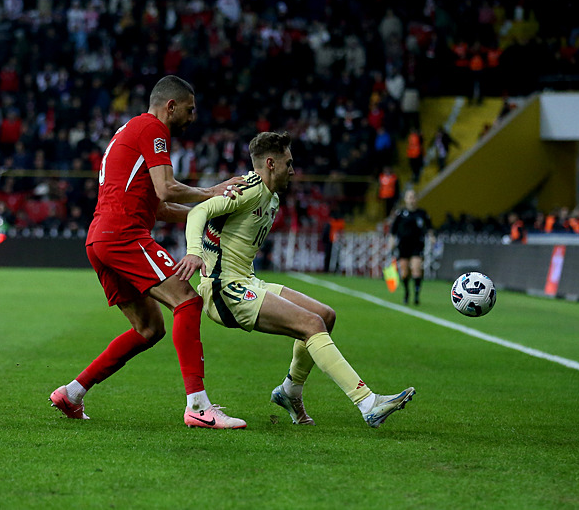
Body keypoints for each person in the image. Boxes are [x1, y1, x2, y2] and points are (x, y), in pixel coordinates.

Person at [174, 131, 415, 428]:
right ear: (271, 164)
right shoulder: (248, 188)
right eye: (289, 163)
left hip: (247, 281)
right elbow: (198, 211)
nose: (293, 170)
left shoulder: (271, 197)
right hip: (225, 289)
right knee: (310, 325)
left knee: (324, 316)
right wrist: (194, 252)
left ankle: (290, 391)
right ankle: (368, 403)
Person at [49, 76, 249, 429]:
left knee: (149, 328)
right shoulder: (154, 129)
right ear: (170, 106)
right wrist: (213, 192)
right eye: (189, 109)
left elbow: (157, 206)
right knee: (187, 301)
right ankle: (198, 406)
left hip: (101, 239)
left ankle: (72, 392)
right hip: (123, 234)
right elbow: (167, 188)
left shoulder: (128, 132)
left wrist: (207, 217)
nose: (193, 116)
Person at [389, 189, 434, 305]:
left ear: (416, 199)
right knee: (404, 272)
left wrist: (432, 237)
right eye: (409, 197)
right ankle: (407, 292)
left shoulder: (422, 213)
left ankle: (416, 295)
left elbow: (429, 227)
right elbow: (393, 231)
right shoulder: (400, 214)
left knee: (416, 268)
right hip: (403, 245)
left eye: (413, 197)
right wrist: (391, 243)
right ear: (405, 199)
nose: (411, 199)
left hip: (417, 244)